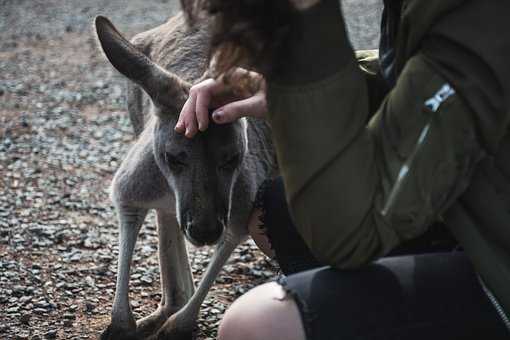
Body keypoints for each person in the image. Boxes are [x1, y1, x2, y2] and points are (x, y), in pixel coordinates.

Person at [176, 0, 510, 339]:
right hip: (478, 210)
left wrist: (305, 32)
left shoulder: (479, 14)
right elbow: (425, 70)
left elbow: (349, 235)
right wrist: (274, 87)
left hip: (498, 262)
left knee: (257, 325)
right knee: (274, 213)